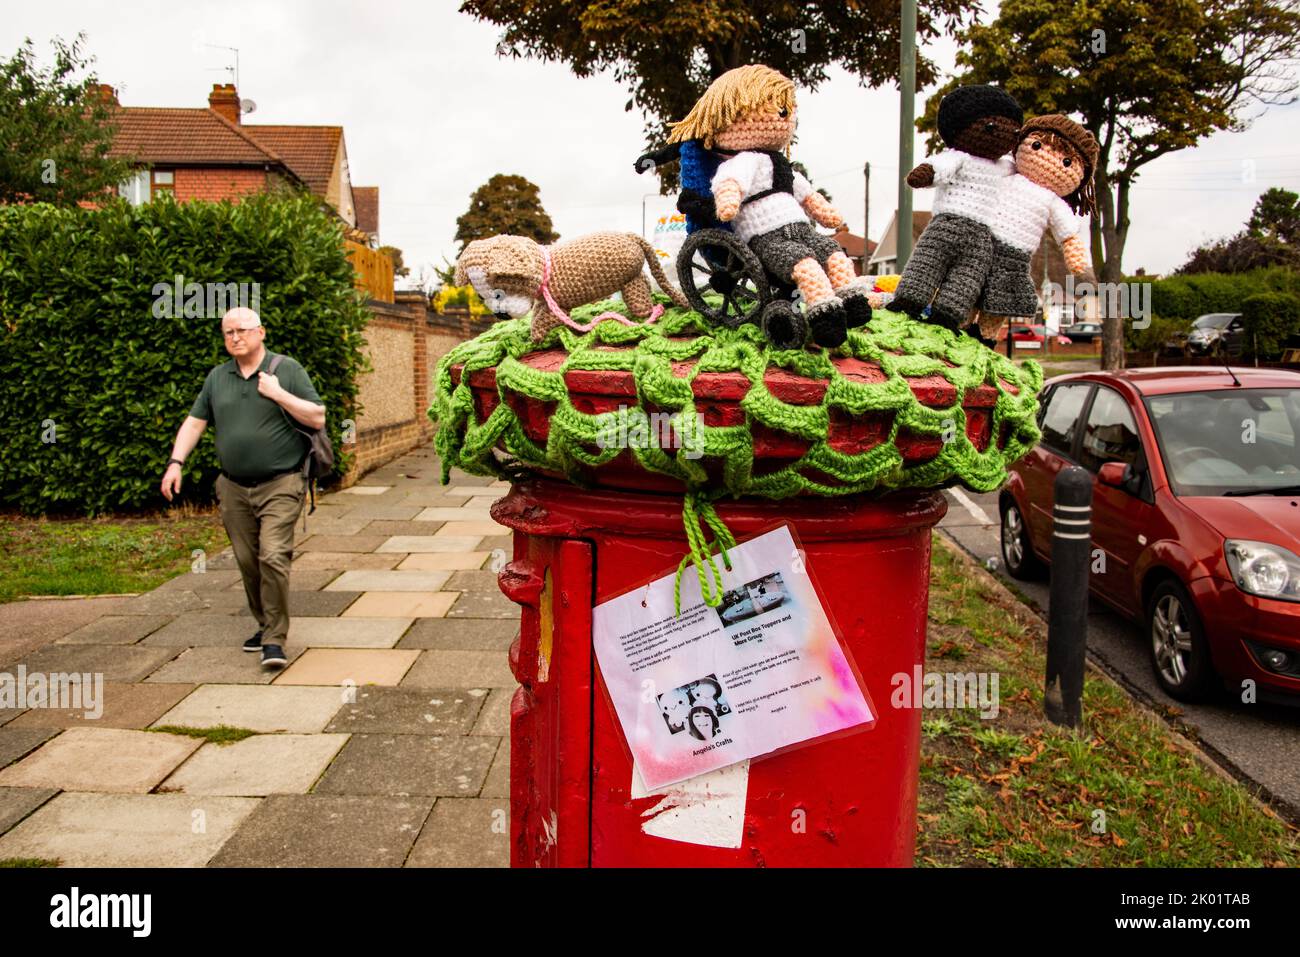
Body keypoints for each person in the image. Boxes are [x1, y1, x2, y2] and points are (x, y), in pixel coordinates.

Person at [161, 307, 326, 669]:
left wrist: (279, 394)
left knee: (272, 555)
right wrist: (176, 463)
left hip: (282, 482)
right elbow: (194, 423)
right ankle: (266, 623)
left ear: (261, 332)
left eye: (242, 330)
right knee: (248, 560)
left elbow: (317, 416)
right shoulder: (217, 378)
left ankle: (274, 640)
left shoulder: (286, 371)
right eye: (227, 332)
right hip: (233, 487)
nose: (235, 337)